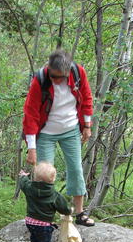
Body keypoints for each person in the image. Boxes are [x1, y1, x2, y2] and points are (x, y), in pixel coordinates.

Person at [22, 48, 95, 227]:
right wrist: (31, 148)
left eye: (60, 77)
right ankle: (43, 218)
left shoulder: (78, 73)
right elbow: (30, 114)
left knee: (76, 170)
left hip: (70, 129)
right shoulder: (40, 80)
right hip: (46, 132)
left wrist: (86, 125)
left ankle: (79, 213)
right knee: (42, 175)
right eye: (53, 76)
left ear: (68, 71)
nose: (56, 80)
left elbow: (86, 98)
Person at [19, 162, 72, 242]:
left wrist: (23, 175)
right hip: (44, 226)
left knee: (34, 234)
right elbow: (64, 209)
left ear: (35, 177)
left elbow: (23, 183)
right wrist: (70, 211)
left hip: (30, 221)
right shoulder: (54, 195)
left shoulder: (29, 187)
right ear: (52, 179)